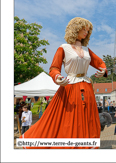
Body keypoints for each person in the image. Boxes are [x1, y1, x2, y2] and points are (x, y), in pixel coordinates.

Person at [20, 17, 108, 149]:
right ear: (75, 29)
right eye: (83, 29)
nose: (86, 32)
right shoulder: (64, 48)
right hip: (69, 86)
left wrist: (103, 70)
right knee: (67, 120)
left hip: (87, 87)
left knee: (89, 118)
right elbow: (54, 68)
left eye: (88, 30)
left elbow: (100, 63)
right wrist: (58, 77)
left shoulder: (87, 50)